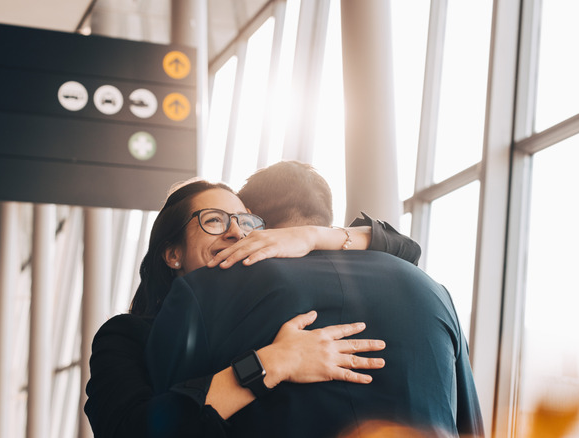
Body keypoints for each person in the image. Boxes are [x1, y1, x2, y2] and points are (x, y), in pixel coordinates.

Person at [146, 161, 484, 437]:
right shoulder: (432, 291)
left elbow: (174, 418)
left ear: (257, 226)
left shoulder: (204, 291)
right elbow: (468, 422)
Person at [84, 177, 421, 437]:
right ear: (173, 254)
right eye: (214, 220)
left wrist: (311, 237)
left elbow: (404, 250)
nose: (235, 232)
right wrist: (274, 363)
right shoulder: (125, 336)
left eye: (245, 222)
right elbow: (129, 430)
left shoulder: (258, 313)